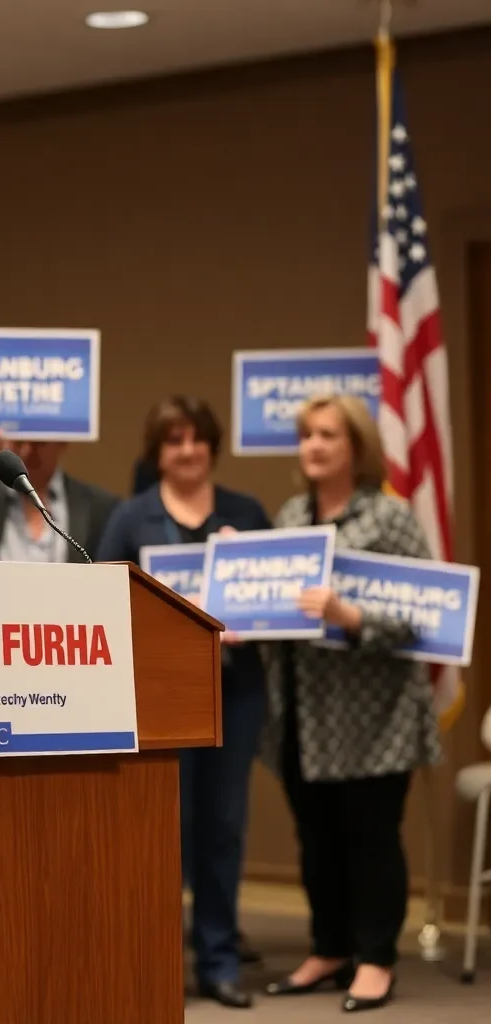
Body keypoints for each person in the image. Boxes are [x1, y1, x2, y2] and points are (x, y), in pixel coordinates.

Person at [261, 394, 440, 1014]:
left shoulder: (389, 518)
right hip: (301, 712)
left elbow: (426, 613)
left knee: (371, 838)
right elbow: (273, 601)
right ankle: (330, 950)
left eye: (327, 435)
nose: (313, 445)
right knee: (316, 840)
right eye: (307, 434)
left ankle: (375, 958)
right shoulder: (290, 516)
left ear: (356, 447)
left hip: (374, 715)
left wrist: (352, 616)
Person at [97, 396, 269, 1010]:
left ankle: (219, 961)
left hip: (234, 692)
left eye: (197, 439)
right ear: (157, 452)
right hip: (158, 694)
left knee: (223, 827)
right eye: (174, 441)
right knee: (166, 830)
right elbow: (104, 597)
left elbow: (276, 598)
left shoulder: (247, 513)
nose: (188, 450)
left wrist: (248, 599)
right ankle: (157, 961)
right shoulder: (130, 517)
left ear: (213, 446)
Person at [0, 422, 118, 562]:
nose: (27, 451)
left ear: (62, 442)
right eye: (19, 442)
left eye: (38, 443)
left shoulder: (98, 505)